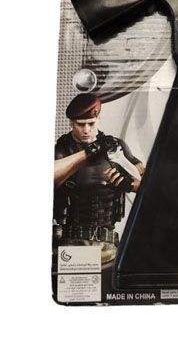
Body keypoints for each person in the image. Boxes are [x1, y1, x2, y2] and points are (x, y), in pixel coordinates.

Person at [53, 93, 144, 265]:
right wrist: (89, 152)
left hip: (109, 246)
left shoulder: (115, 147)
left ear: (99, 119)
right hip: (72, 246)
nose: (86, 130)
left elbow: (150, 185)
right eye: (80, 124)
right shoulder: (63, 148)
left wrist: (130, 184)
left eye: (91, 123)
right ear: (71, 123)